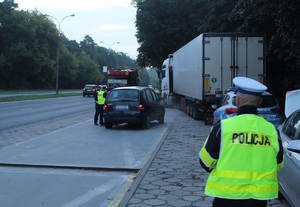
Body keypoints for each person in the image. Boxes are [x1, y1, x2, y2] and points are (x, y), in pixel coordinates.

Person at [199, 77, 284, 207]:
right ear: (260, 101)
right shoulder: (271, 130)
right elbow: (278, 163)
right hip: (258, 199)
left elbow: (205, 161)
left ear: (237, 100)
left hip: (226, 196)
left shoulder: (222, 128)